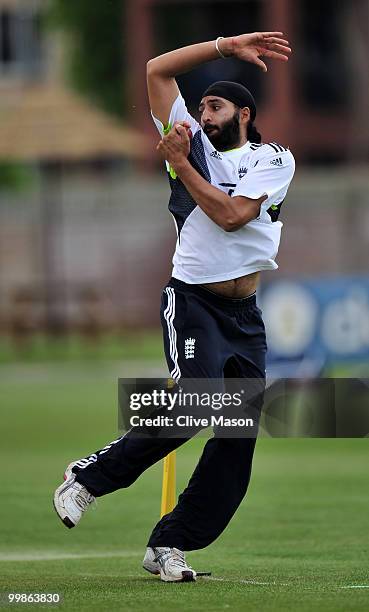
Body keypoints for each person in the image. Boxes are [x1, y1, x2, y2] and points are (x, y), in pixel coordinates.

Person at [53, 31, 295, 583]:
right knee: (199, 402)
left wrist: (180, 166)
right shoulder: (189, 141)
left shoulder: (272, 157)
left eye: (216, 106)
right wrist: (224, 46)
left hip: (245, 318)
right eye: (201, 105)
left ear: (244, 113)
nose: (203, 114)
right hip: (192, 302)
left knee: (237, 442)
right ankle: (88, 479)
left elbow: (234, 216)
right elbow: (157, 71)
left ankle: (171, 545)